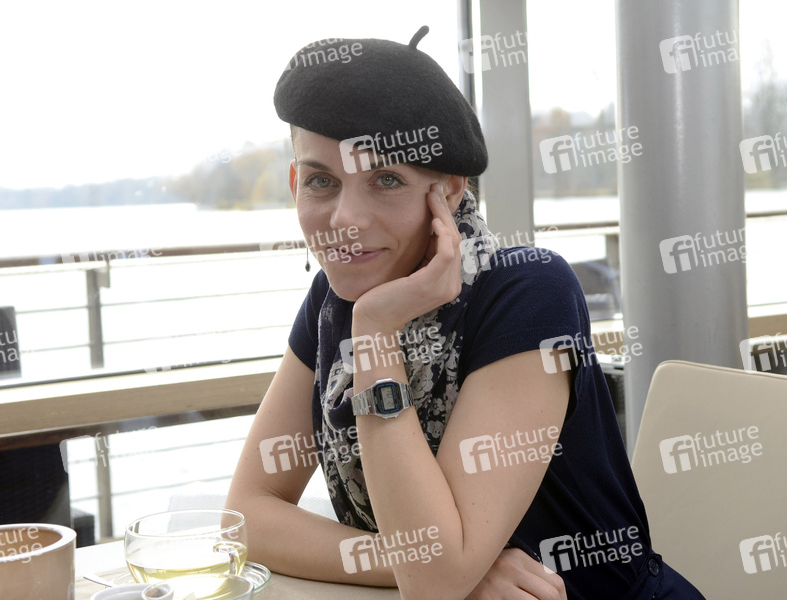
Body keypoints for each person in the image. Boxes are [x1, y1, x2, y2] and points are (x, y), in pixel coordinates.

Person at [226, 26, 706, 600]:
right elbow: (246, 518)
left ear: (450, 191)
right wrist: (428, 564)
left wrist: (376, 333)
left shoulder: (531, 291)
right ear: (294, 183)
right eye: (321, 181)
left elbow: (433, 580)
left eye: (386, 179)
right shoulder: (332, 303)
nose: (345, 219)